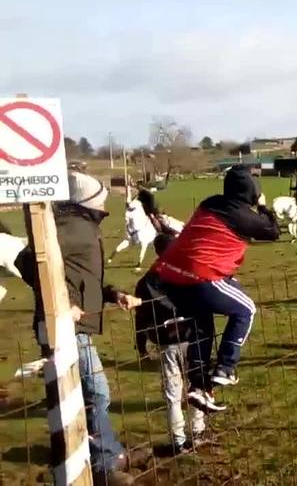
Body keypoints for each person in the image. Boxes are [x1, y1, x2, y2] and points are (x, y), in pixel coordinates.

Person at [15, 172, 150, 484]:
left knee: (85, 395)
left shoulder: (84, 226)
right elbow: (26, 261)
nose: (105, 200)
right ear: (89, 200)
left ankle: (109, 453)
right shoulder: (73, 227)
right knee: (95, 394)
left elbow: (83, 277)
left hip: (75, 326)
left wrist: (113, 294)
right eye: (101, 195)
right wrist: (61, 303)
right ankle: (103, 465)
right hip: (64, 328)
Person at [154, 165, 280, 413]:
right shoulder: (244, 216)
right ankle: (226, 367)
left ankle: (199, 388)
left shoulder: (209, 203)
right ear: (252, 191)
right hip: (202, 276)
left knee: (202, 328)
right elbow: (273, 231)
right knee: (246, 309)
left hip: (171, 276)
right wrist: (263, 206)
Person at [135, 235, 207, 454]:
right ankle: (198, 431)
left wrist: (141, 345)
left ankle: (178, 439)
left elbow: (140, 316)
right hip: (192, 338)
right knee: (197, 387)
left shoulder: (146, 282)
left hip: (166, 343)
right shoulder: (186, 272)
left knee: (172, 395)